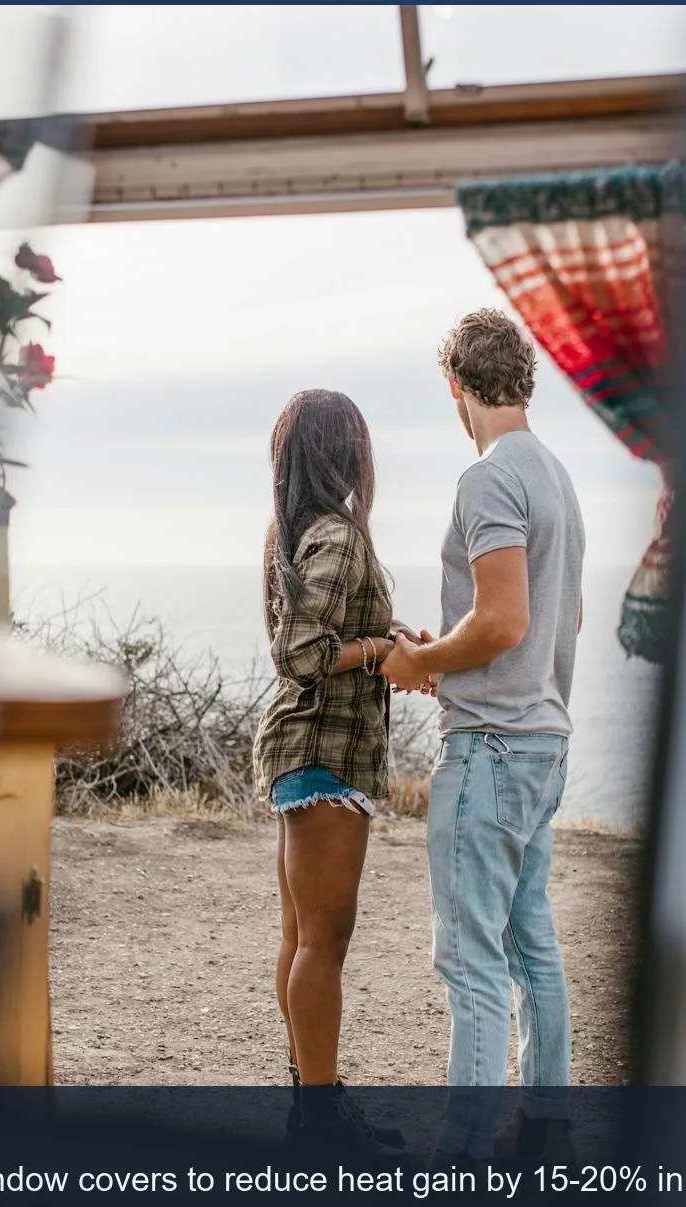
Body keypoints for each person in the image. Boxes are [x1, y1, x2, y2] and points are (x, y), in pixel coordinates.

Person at [380, 310, 586, 1169]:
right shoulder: (560, 480)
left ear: (457, 387)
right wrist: (452, 654)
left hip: (493, 750)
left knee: (469, 964)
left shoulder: (489, 478)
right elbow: (556, 618)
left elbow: (502, 620)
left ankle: (458, 1164)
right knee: (529, 938)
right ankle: (544, 1128)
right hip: (544, 740)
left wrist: (421, 658)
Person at [254, 389, 411, 1157]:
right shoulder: (340, 536)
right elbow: (302, 652)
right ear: (343, 452)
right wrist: (379, 650)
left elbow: (319, 633)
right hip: (326, 753)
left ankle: (308, 1104)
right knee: (324, 940)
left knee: (300, 936)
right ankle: (318, 1117)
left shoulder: (293, 532)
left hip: (301, 754)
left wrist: (383, 635)